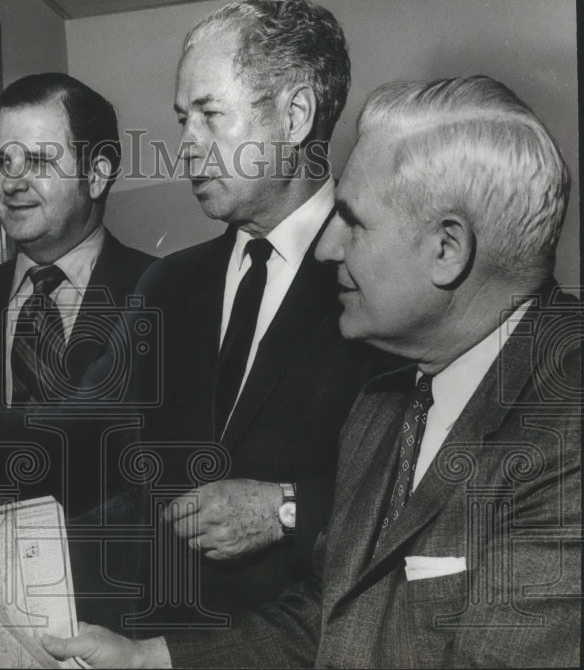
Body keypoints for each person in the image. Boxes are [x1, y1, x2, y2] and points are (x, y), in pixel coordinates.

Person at [0, 0, 394, 630]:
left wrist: (290, 508)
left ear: (295, 115)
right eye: (183, 120)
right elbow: (61, 457)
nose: (187, 148)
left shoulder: (388, 274)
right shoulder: (172, 285)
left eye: (209, 115)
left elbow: (443, 492)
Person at [40, 75, 582, 667]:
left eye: (355, 222)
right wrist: (147, 660)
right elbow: (327, 618)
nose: (327, 249)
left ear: (447, 250)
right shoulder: (384, 403)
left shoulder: (566, 430)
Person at [0, 73, 153, 529]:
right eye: (4, 160)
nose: (12, 184)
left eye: (39, 161)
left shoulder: (166, 294)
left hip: (114, 591)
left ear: (96, 175)